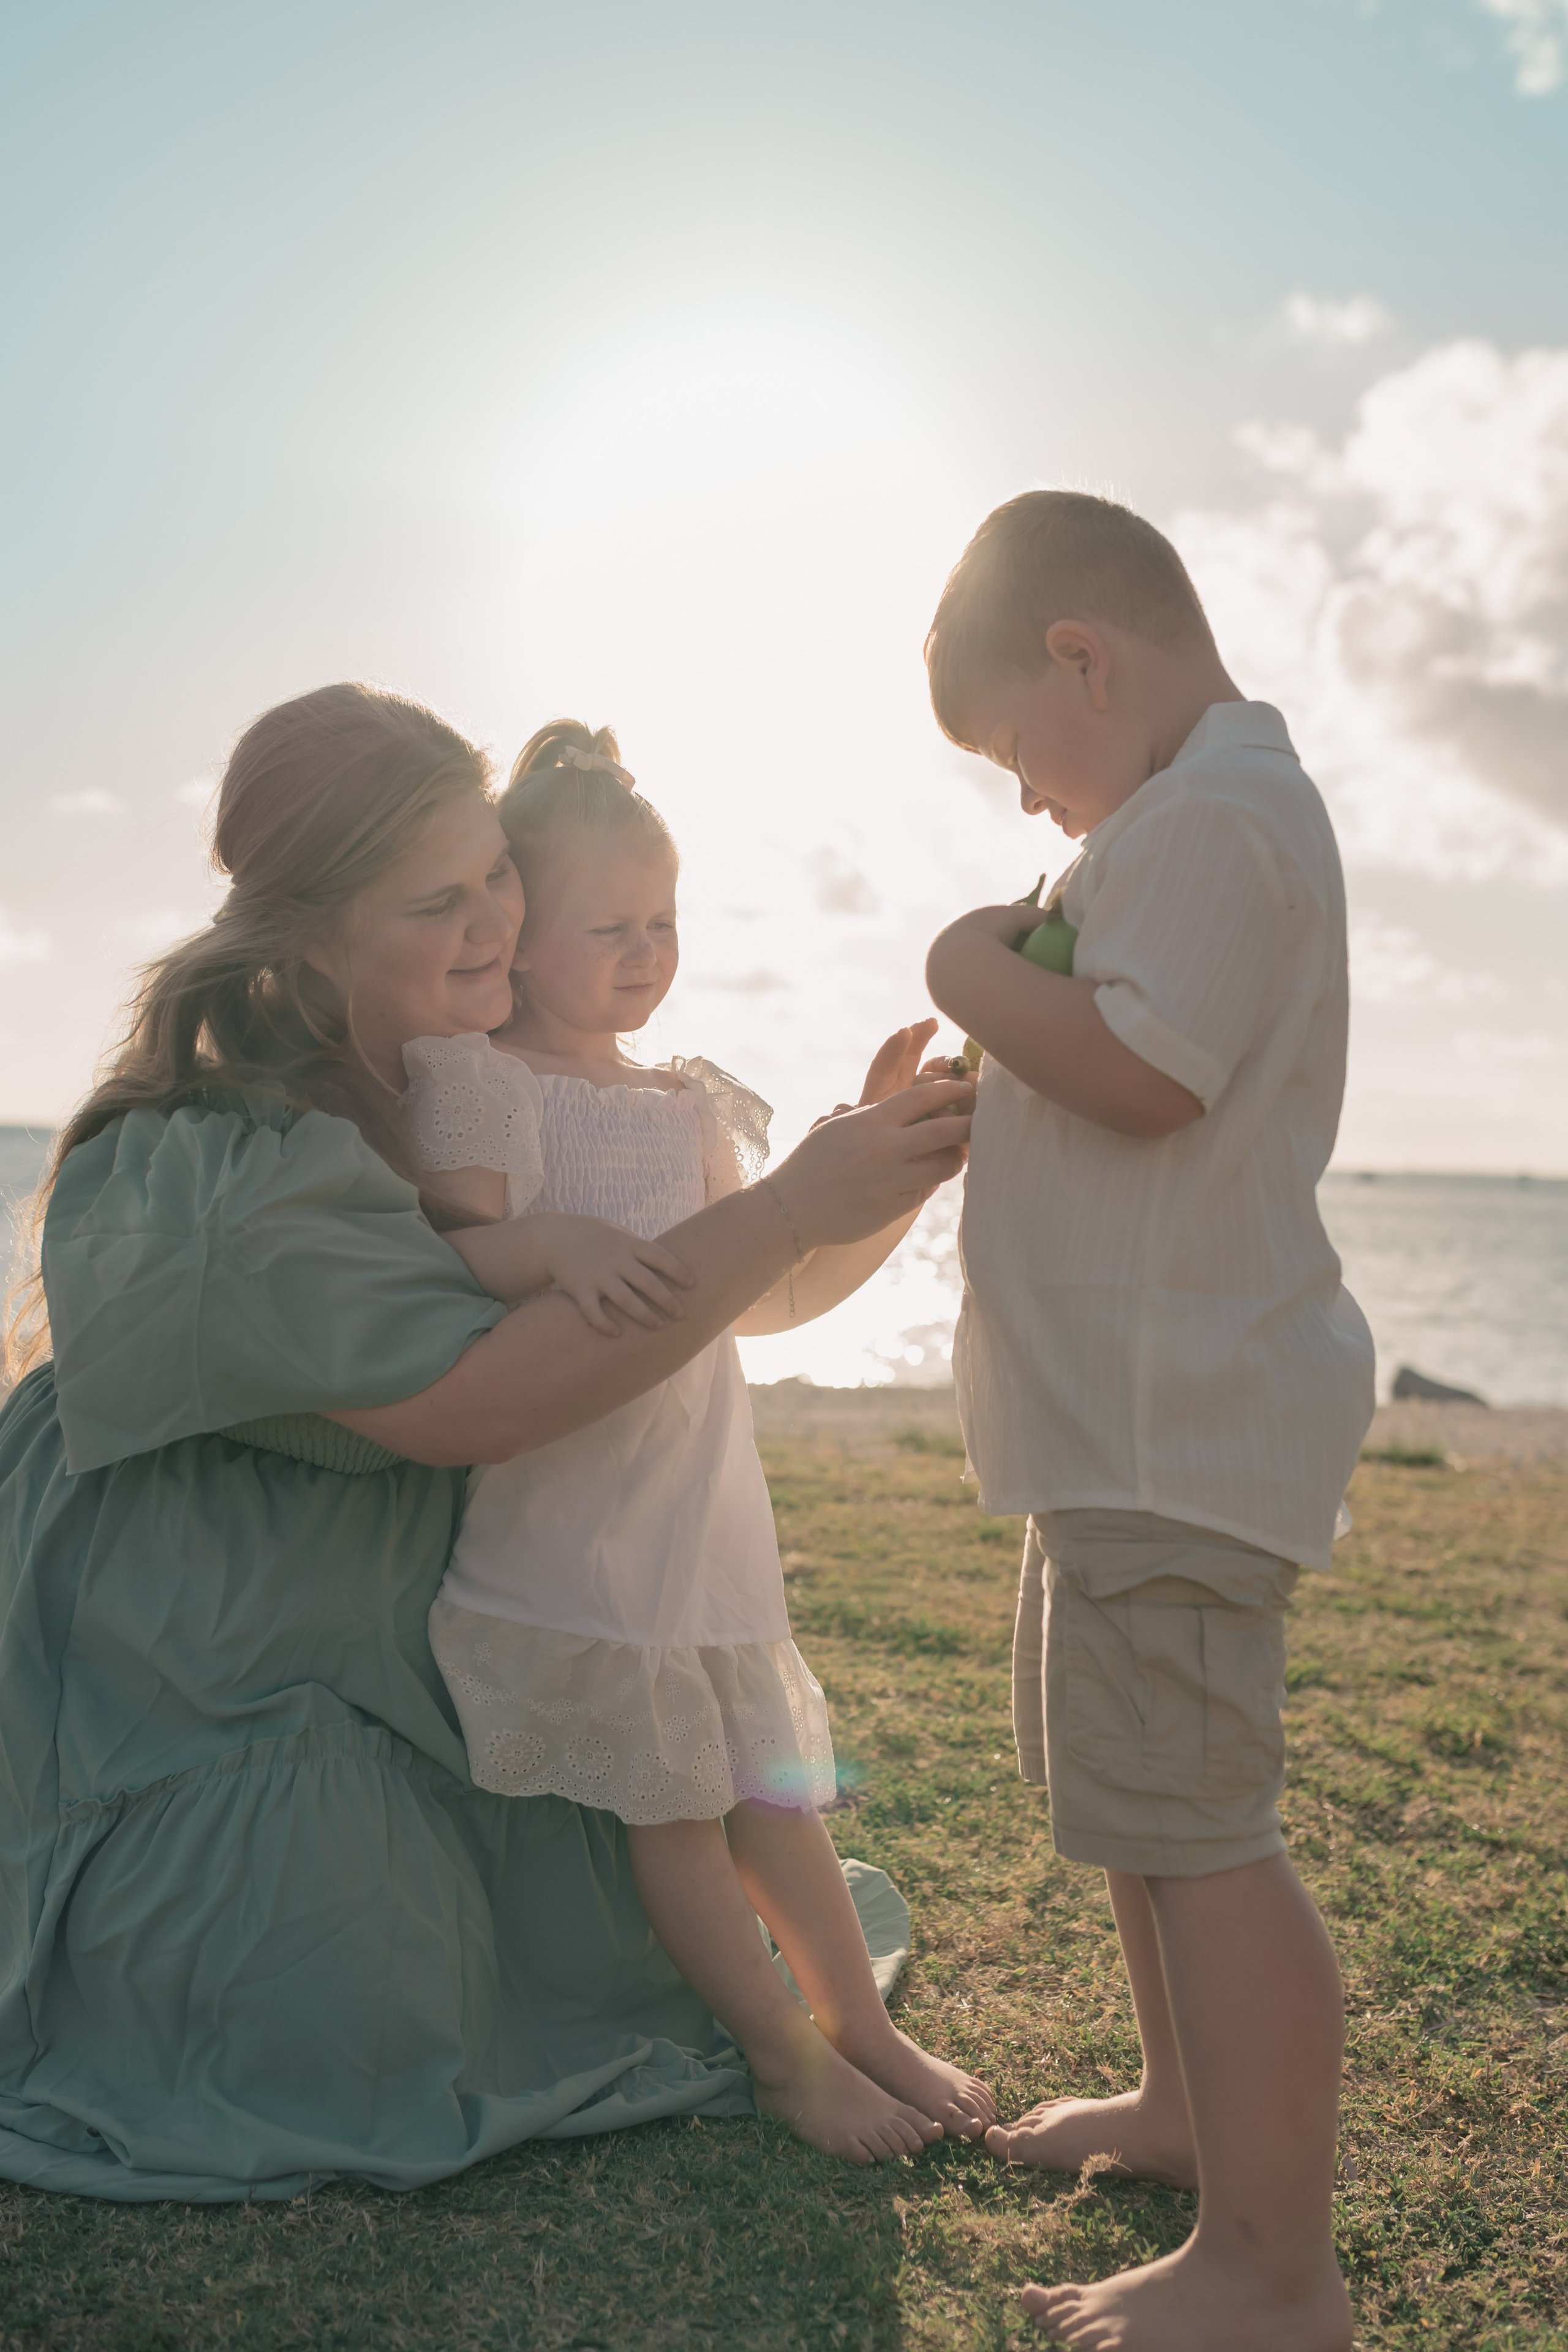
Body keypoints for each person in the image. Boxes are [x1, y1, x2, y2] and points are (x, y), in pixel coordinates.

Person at [0, 680, 973, 2203]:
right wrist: (786, 1205)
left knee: (662, 1826)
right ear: (310, 934)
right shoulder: (223, 1152)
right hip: (203, 1633)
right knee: (338, 1998)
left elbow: (693, 1310)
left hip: (405, 1602)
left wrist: (870, 1179)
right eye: (436, 899)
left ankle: (807, 2019)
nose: (493, 925)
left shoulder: (483, 1079)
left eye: (498, 876)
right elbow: (477, 1400)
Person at [397, 719, 997, 2163]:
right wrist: (547, 1241)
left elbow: (766, 1288)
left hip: (703, 1517)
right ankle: (785, 2060)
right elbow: (458, 1255)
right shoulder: (482, 1084)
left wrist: (880, 1162)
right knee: (671, 1812)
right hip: (577, 1528)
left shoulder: (688, 1101)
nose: (645, 951)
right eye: (608, 925)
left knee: (772, 1798)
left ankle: (865, 2027)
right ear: (520, 931)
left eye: (662, 921)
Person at [921, 491, 1374, 2351]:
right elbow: (1096, 1054)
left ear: (1085, 662)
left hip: (1174, 1425)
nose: (1032, 802)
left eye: (1022, 750)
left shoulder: (1207, 820)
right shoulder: (1181, 819)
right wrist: (981, 1061)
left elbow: (1140, 1076)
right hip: (1113, 1431)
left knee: (1203, 1826)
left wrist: (967, 969)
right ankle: (1188, 2111)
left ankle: (1275, 2269)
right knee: (1134, 1800)